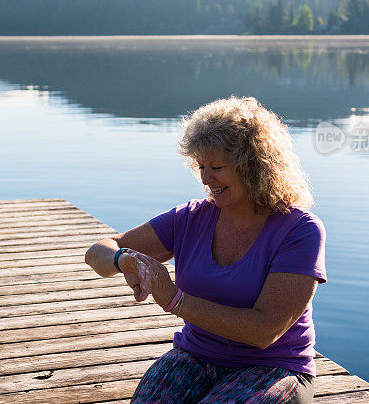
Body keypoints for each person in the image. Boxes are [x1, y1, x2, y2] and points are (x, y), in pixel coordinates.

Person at [85, 96, 326, 404]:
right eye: (200, 165)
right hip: (195, 357)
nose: (205, 178)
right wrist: (125, 260)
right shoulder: (190, 218)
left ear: (253, 166)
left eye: (216, 167)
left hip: (273, 368)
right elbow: (98, 251)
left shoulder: (299, 230)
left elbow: (265, 331)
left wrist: (174, 299)